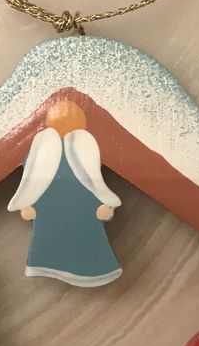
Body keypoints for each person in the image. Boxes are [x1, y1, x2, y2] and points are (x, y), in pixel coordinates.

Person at [7, 99, 122, 287]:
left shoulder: (85, 154)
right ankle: (49, 262)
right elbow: (34, 183)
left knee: (87, 240)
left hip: (84, 214)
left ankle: (93, 270)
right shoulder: (43, 155)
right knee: (53, 238)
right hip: (50, 215)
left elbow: (93, 184)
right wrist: (30, 205)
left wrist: (102, 206)